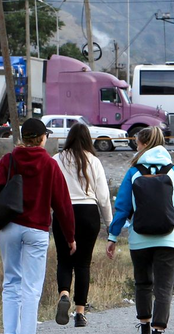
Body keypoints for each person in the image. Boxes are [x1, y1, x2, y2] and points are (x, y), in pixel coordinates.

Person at [0, 118, 75, 334]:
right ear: (43, 138)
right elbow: (62, 204)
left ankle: (10, 331)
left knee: (11, 283)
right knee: (32, 288)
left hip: (9, 227)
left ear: (23, 138)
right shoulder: (50, 164)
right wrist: (70, 237)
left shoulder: (8, 160)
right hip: (37, 230)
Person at [105, 126, 174, 334]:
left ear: (144, 145)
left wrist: (112, 235)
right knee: (163, 288)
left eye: (137, 143)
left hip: (140, 238)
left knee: (143, 283)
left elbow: (122, 207)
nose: (136, 147)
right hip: (169, 239)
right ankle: (158, 330)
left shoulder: (133, 172)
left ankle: (144, 326)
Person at [51, 123, 113, 327]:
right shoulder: (93, 160)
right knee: (83, 263)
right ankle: (79, 313)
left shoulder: (56, 160)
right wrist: (110, 225)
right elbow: (103, 196)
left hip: (63, 212)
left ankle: (64, 294)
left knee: (64, 259)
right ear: (88, 139)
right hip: (88, 212)